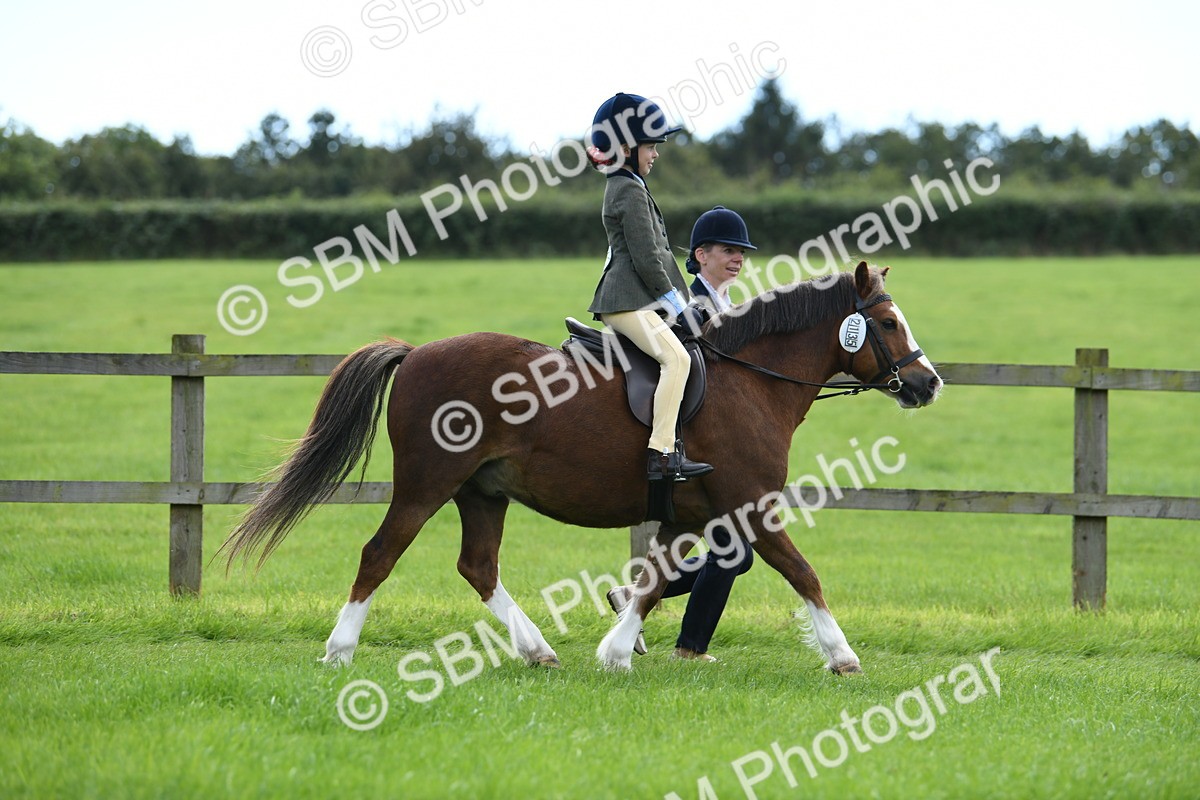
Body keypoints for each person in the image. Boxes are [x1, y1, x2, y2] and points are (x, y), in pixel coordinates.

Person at [607, 206, 759, 661]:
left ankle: (634, 599)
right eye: (729, 251)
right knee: (736, 551)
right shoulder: (691, 309)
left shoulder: (731, 305)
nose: (738, 259)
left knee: (738, 552)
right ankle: (688, 648)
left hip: (716, 446)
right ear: (701, 255)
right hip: (696, 445)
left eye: (741, 253)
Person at [586, 92, 712, 483]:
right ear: (625, 147)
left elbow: (656, 254)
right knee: (678, 360)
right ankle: (661, 454)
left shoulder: (629, 185)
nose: (656, 154)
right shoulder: (628, 190)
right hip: (626, 302)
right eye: (651, 146)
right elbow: (648, 259)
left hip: (635, 299)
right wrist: (678, 306)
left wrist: (690, 302)